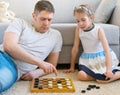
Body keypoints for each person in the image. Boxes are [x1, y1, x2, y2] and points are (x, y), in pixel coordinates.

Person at [0, 0, 62, 92]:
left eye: (49, 19)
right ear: (34, 16)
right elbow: (9, 46)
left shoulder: (56, 36)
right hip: (2, 56)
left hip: (14, 69)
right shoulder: (20, 23)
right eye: (43, 19)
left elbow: (52, 64)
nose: (46, 23)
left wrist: (38, 72)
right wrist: (40, 63)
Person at [63, 4, 120, 83]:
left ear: (91, 18)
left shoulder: (98, 30)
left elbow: (106, 51)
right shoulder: (78, 29)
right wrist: (72, 67)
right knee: (81, 75)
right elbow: (75, 48)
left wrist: (109, 70)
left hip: (101, 59)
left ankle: (108, 76)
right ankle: (100, 77)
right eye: (78, 21)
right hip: (88, 60)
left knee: (102, 80)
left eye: (83, 20)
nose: (80, 23)